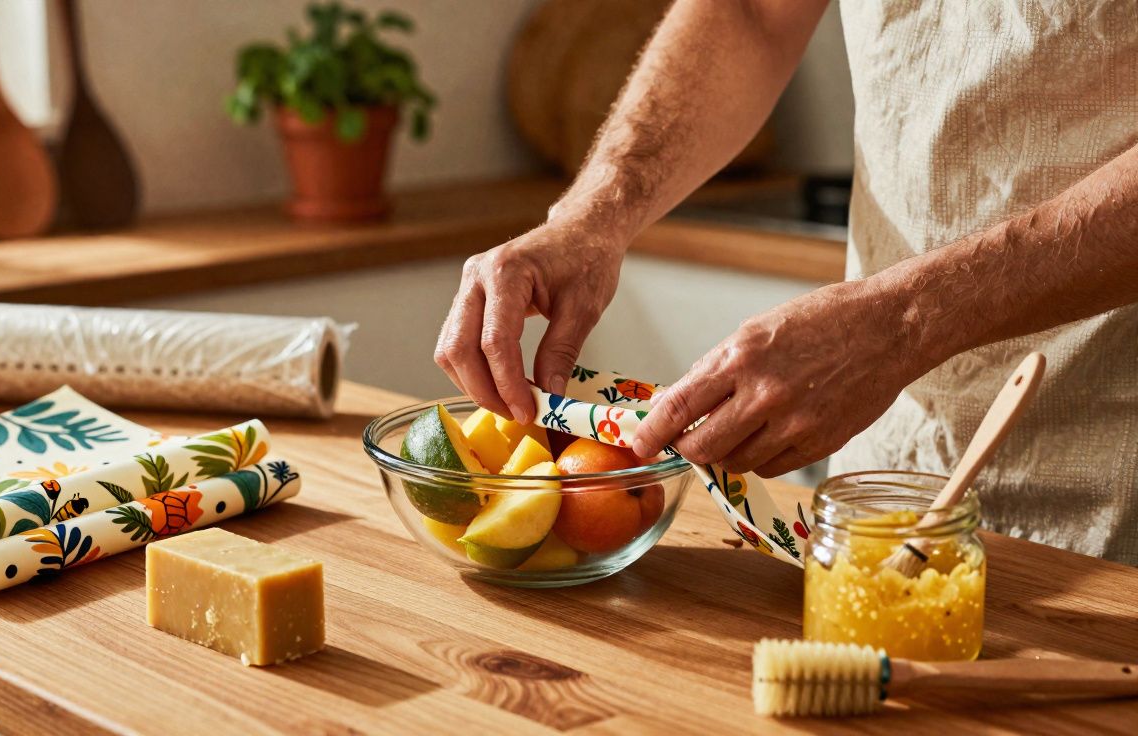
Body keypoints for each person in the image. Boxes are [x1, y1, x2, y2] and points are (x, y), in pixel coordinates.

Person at [435, 1, 1138, 564]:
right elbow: (751, 12)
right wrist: (590, 217)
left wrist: (905, 322)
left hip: (1116, 493)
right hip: (885, 477)